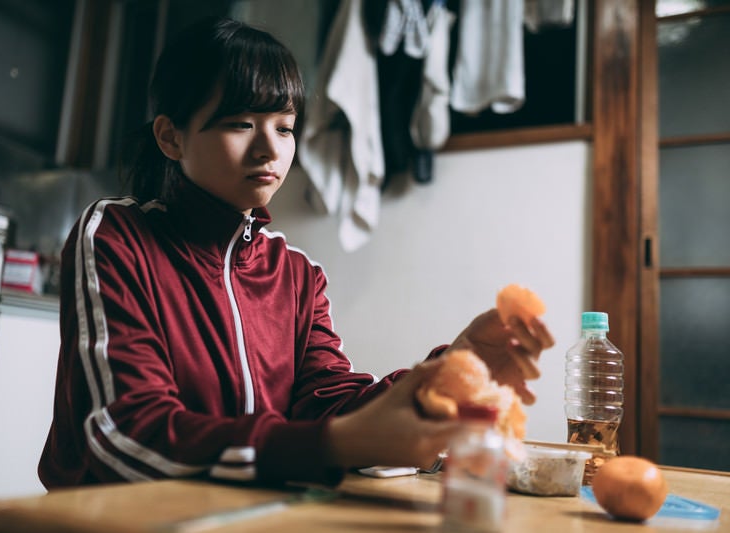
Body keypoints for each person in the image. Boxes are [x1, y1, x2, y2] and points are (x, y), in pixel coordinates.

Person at [38, 16, 554, 489]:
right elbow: (126, 435)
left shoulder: (298, 275)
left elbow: (326, 405)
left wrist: (449, 371)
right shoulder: (117, 236)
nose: (270, 149)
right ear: (171, 137)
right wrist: (335, 445)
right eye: (241, 123)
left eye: (284, 127)